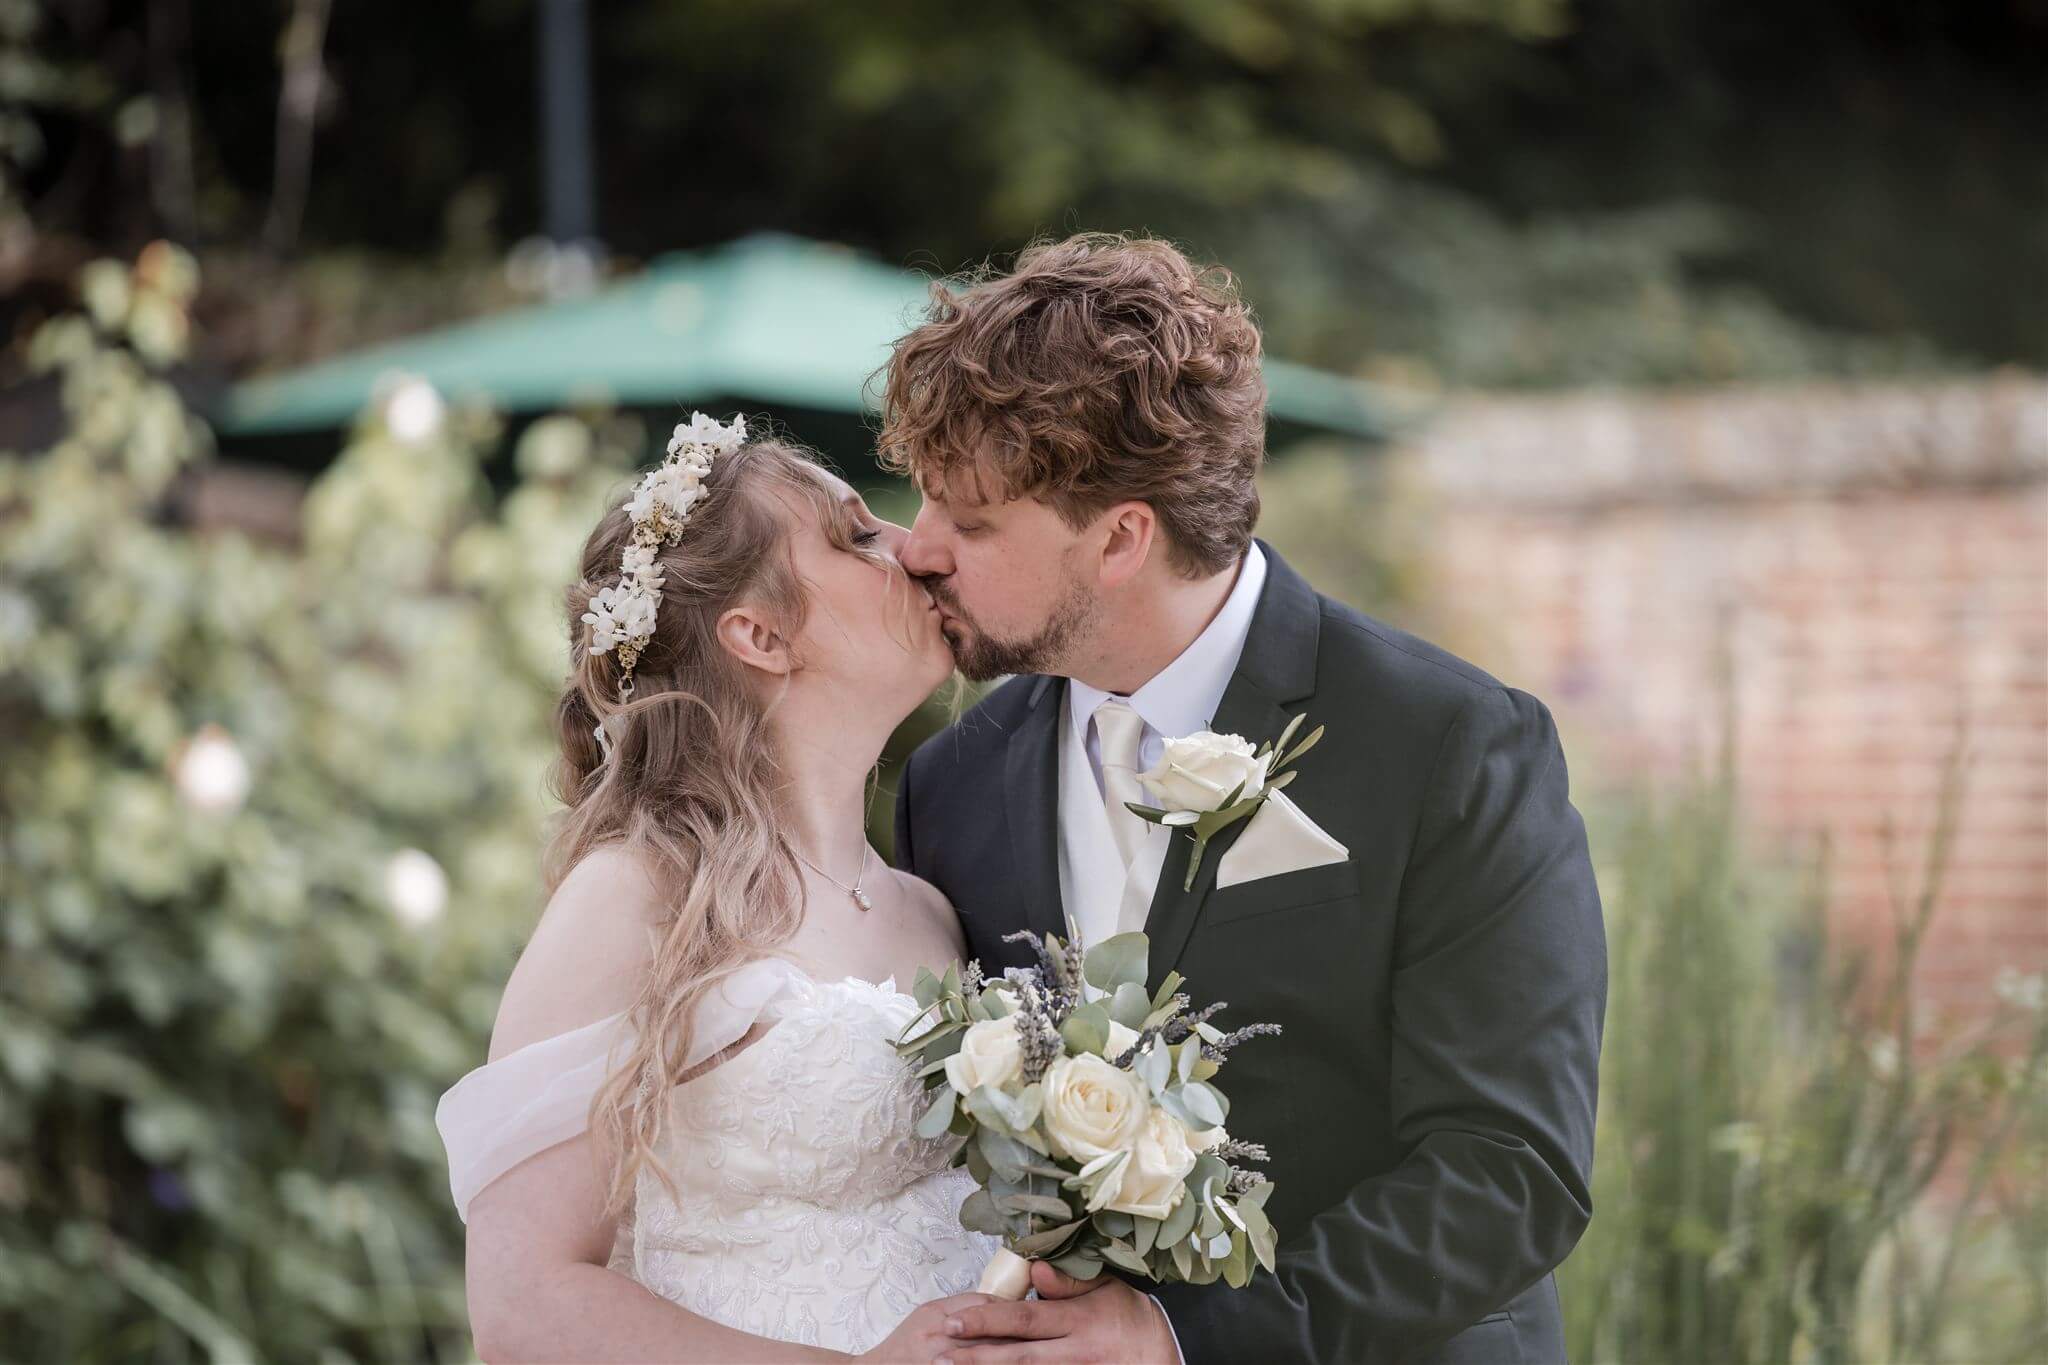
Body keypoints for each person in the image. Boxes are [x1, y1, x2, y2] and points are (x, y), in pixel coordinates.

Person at [886, 233, 1608, 1364]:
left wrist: (1184, 1344)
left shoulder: (1450, 746)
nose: (917, 548)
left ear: (1121, 538)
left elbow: (1508, 1171)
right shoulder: (950, 783)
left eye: (969, 521)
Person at [434, 419, 1008, 1361]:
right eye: (857, 537)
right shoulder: (637, 897)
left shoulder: (930, 908)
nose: (914, 547)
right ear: (760, 634)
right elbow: (522, 1308)